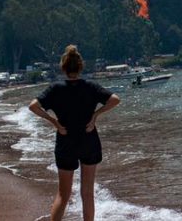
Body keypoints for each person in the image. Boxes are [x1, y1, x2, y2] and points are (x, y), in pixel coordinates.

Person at [28, 45, 120, 221]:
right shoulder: (91, 86)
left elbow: (33, 106)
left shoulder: (56, 88)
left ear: (63, 68)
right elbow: (115, 99)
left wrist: (54, 122)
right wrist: (95, 115)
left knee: (63, 195)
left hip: (65, 142)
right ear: (81, 66)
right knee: (87, 194)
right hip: (89, 140)